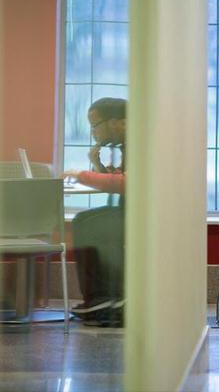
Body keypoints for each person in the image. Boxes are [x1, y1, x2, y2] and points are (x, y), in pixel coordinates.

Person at [63, 97, 126, 326]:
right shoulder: (127, 145)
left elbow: (126, 183)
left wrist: (81, 174)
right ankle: (99, 298)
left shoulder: (140, 145)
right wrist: (97, 165)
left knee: (90, 223)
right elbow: (118, 178)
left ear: (120, 123)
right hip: (131, 213)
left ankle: (107, 297)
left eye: (95, 125)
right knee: (86, 220)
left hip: (142, 216)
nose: (93, 132)